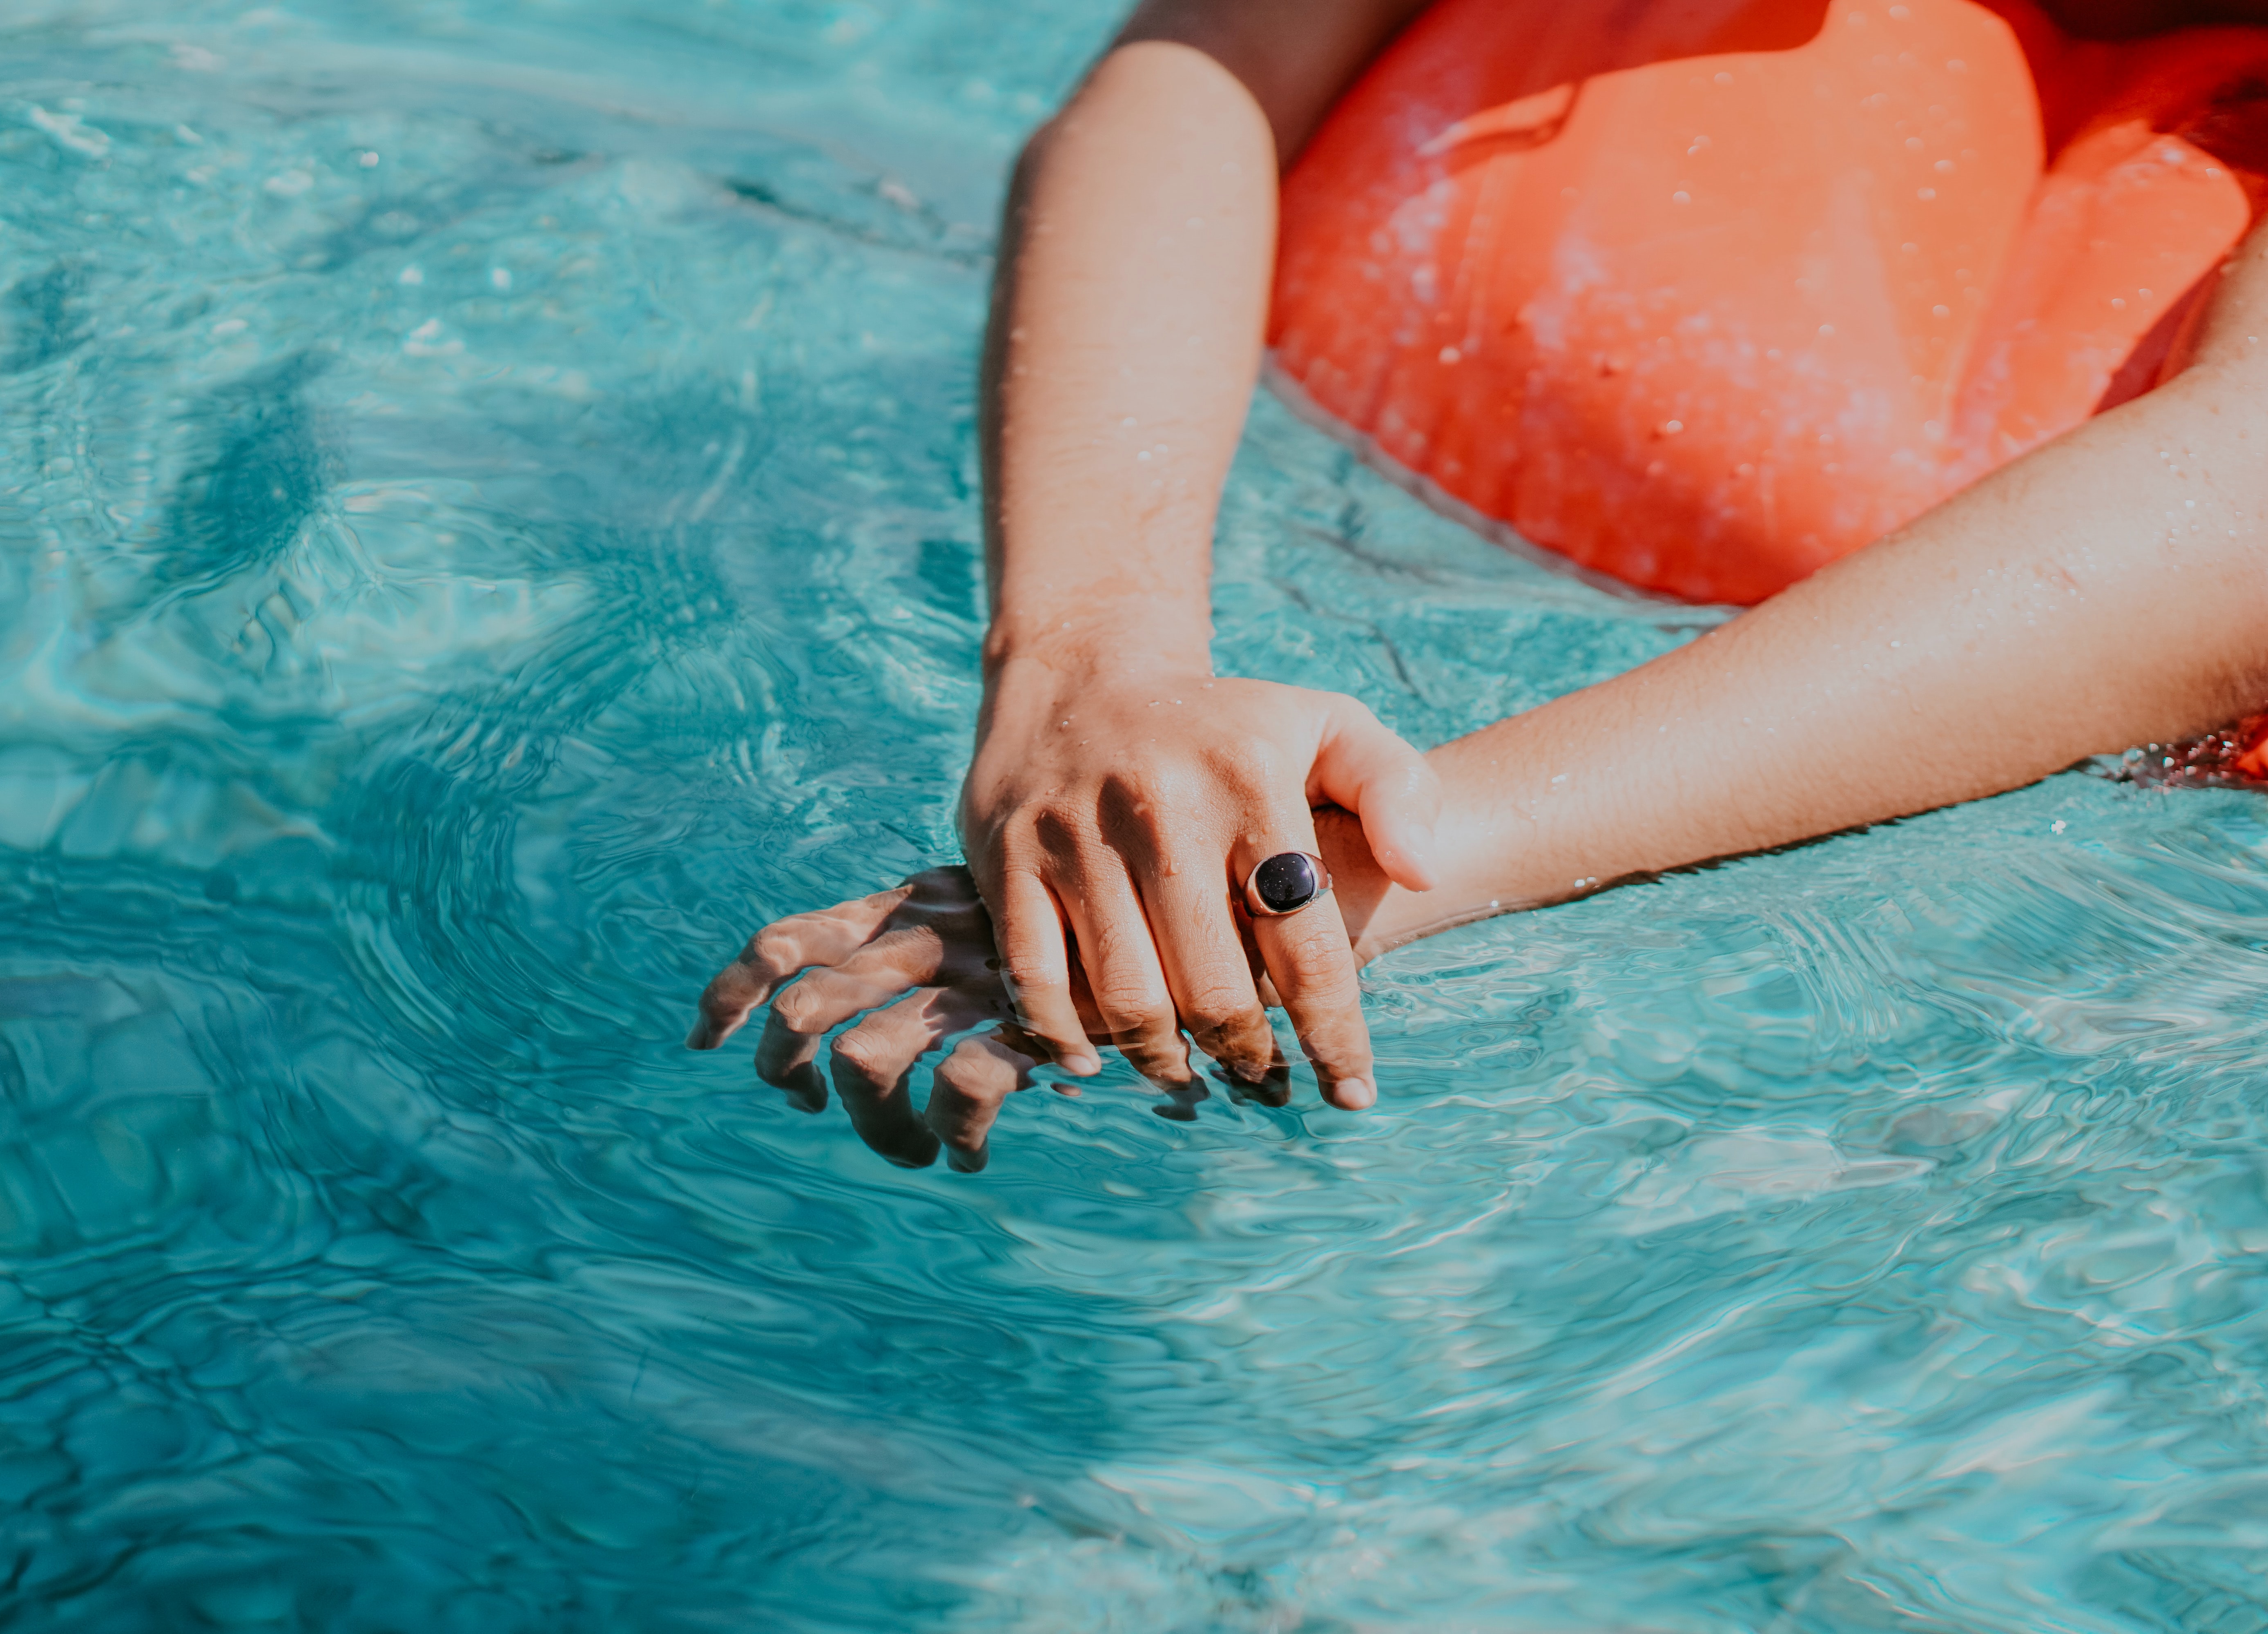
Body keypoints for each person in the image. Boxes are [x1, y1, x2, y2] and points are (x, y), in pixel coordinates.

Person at [690, 0, 2268, 1171]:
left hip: (2099, 934)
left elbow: (2237, 504)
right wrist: (1085, 669)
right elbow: (1215, 57)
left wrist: (1348, 875)